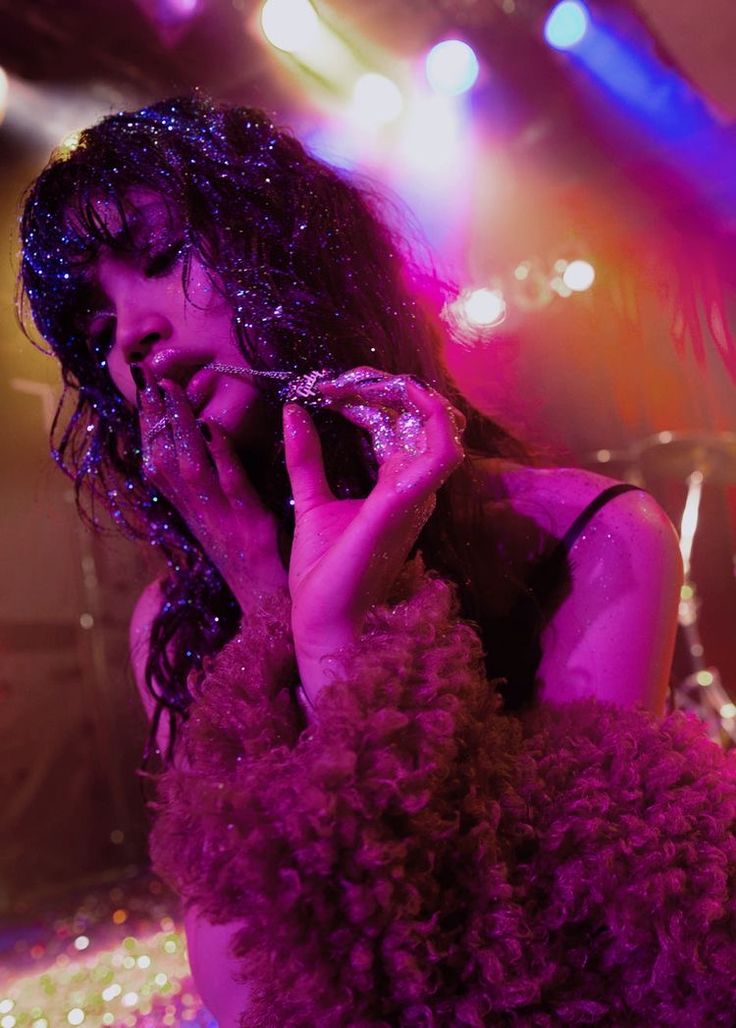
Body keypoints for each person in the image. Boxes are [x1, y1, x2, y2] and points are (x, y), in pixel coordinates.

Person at [19, 97, 736, 1026]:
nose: (130, 334)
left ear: (294, 256)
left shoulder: (590, 535)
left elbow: (548, 952)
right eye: (94, 318)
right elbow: (248, 994)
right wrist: (272, 610)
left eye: (161, 259)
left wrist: (342, 647)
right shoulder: (173, 620)